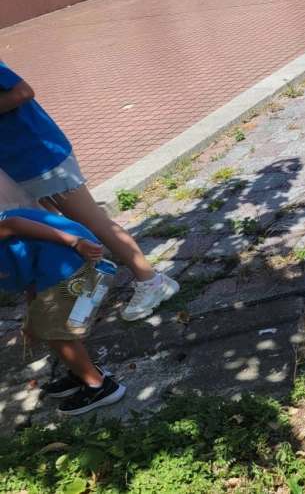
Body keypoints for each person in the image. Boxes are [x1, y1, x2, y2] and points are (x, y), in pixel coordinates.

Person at [0, 61, 177, 321]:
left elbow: (23, 92)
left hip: (39, 156)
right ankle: (88, 284)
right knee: (59, 228)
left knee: (93, 221)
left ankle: (152, 281)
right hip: (17, 164)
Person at [1, 208, 125, 416]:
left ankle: (99, 387)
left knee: (55, 331)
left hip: (70, 258)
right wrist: (31, 321)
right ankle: (82, 372)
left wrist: (75, 242)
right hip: (57, 261)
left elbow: (14, 224)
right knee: (48, 323)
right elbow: (30, 282)